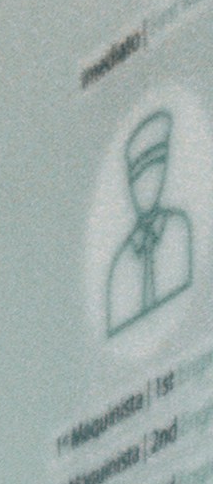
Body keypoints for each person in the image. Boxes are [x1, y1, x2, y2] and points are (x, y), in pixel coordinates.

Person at [106, 107, 197, 338]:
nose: (147, 186)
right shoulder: (121, 261)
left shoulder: (179, 228)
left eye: (155, 171)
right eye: (138, 177)